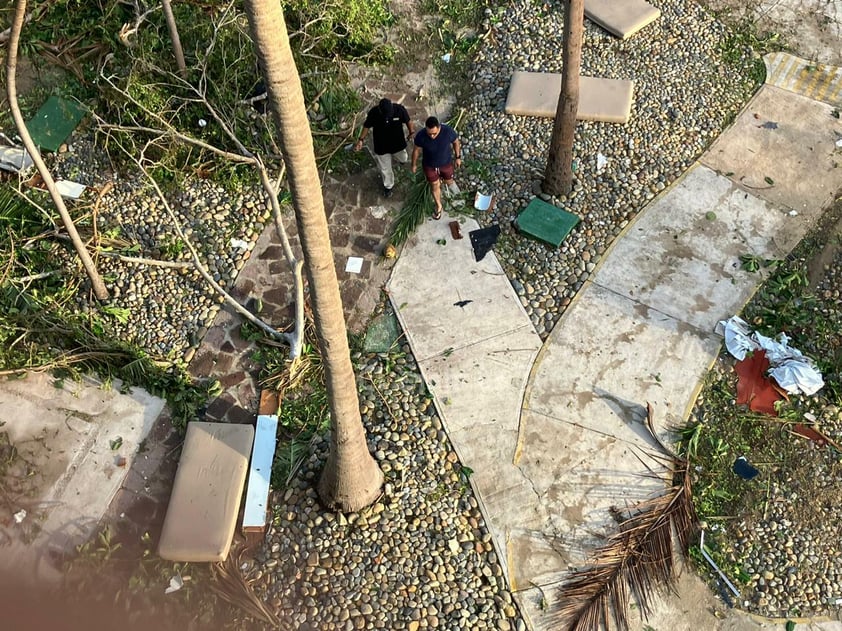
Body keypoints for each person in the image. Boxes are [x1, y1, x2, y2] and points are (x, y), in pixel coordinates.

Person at [354, 98, 414, 198]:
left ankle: (402, 160)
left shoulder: (399, 110)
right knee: (385, 168)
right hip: (381, 146)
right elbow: (367, 126)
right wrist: (361, 139)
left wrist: (411, 132)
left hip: (397, 143)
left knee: (403, 157)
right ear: (380, 110)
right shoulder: (374, 113)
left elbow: (408, 121)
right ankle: (388, 186)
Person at [411, 116, 461, 220]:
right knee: (434, 185)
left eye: (434, 133)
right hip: (429, 166)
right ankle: (439, 205)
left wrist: (458, 157)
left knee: (449, 181)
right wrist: (414, 164)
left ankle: (455, 194)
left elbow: (456, 142)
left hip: (446, 164)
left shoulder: (448, 132)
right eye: (429, 134)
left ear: (439, 128)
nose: (432, 136)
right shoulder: (421, 136)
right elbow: (416, 150)